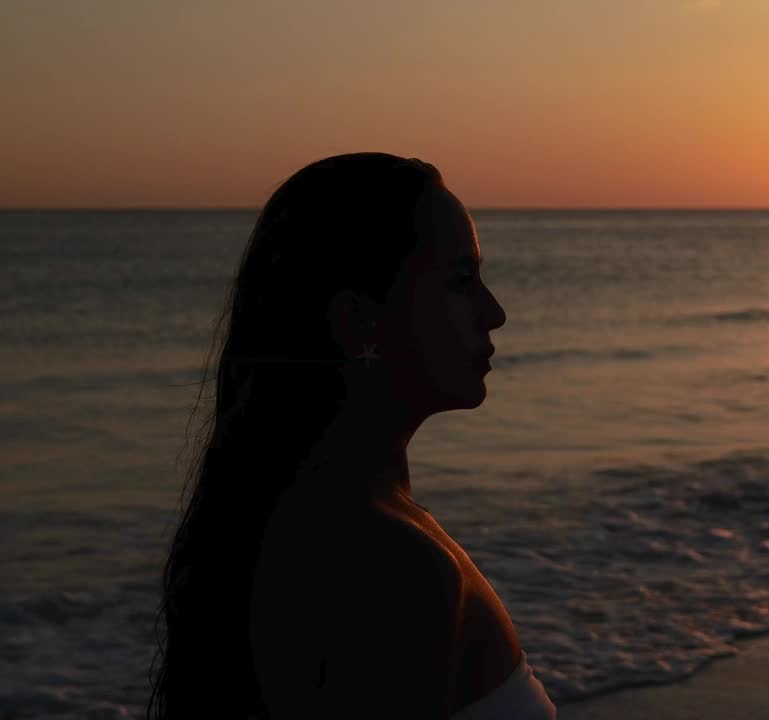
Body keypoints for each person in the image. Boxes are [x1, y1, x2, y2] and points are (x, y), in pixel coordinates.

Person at [148, 152, 556, 719]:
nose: (494, 312)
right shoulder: (391, 563)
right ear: (359, 320)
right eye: (461, 282)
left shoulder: (328, 516)